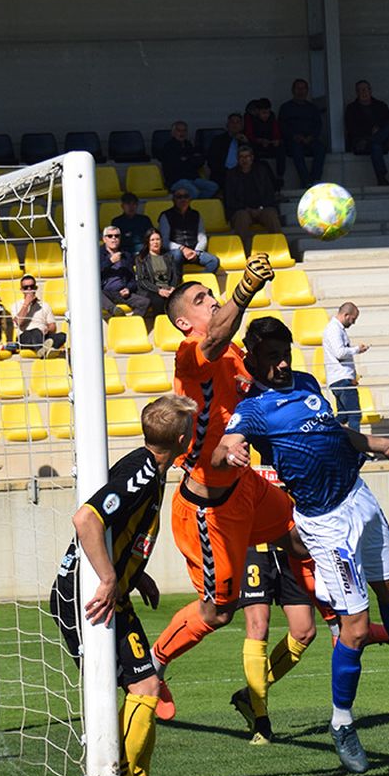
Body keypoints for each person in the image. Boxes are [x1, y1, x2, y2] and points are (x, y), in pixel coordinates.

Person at [218, 318, 389, 772]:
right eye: (271, 357)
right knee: (355, 630)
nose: (282, 364)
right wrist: (232, 451)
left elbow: (333, 432)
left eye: (285, 353)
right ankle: (342, 723)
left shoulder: (305, 383)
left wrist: (380, 444)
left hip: (359, 498)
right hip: (325, 524)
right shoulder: (254, 408)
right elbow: (229, 440)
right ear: (252, 360)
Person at [146, 254, 292, 721]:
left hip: (245, 484)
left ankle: (334, 620)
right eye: (201, 298)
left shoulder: (231, 353)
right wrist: (244, 288)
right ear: (184, 320)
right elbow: (216, 335)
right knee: (217, 612)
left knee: (298, 529)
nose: (211, 301)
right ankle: (153, 662)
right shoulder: (191, 354)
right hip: (210, 510)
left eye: (212, 294)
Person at [48, 396, 198, 776]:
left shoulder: (149, 467)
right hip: (86, 597)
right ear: (183, 438)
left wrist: (133, 571)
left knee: (144, 689)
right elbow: (86, 520)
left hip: (104, 593)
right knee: (143, 690)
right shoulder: (143, 472)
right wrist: (110, 577)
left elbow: (117, 528)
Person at [227, 540, 321, 745]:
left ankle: (249, 695)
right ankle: (262, 723)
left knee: (304, 632)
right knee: (258, 627)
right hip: (253, 548)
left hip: (292, 546)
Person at [323, 301, 370, 432]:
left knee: (343, 417)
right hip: (341, 379)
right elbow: (339, 352)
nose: (353, 323)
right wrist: (356, 350)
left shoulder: (335, 329)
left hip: (339, 378)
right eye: (353, 319)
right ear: (346, 314)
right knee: (354, 415)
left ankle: (327, 433)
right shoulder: (334, 329)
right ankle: (355, 448)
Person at [344, 79, 389, 186]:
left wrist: (378, 128)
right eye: (360, 90)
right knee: (375, 146)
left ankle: (370, 141)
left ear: (370, 90)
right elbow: (351, 127)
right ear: (356, 93)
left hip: (377, 140)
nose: (363, 92)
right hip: (360, 141)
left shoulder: (380, 105)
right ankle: (381, 178)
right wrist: (369, 132)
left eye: (365, 89)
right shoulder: (351, 108)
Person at [224, 146, 282, 237]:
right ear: (238, 159)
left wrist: (261, 208)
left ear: (252, 158)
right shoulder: (231, 175)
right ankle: (244, 250)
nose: (245, 160)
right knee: (242, 218)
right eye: (241, 157)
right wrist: (247, 209)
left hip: (262, 209)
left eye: (247, 156)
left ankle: (278, 247)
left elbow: (269, 193)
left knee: (271, 215)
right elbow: (230, 199)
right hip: (242, 210)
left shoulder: (262, 171)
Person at [158, 189, 220, 274]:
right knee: (177, 255)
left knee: (214, 261)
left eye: (186, 196)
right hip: (175, 252)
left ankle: (199, 284)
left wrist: (196, 252)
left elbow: (202, 237)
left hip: (194, 251)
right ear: (174, 200)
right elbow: (164, 241)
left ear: (190, 199)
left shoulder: (196, 214)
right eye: (179, 197)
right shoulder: (165, 216)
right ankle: (177, 283)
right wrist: (182, 249)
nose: (183, 199)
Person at [279, 78, 326, 186]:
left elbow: (318, 125)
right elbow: (282, 125)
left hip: (310, 140)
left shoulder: (312, 108)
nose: (301, 91)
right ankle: (306, 181)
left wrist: (311, 137)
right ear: (293, 90)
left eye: (303, 88)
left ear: (307, 90)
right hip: (293, 141)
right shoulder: (286, 107)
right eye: (298, 88)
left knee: (321, 149)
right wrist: (294, 136)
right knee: (296, 150)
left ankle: (315, 179)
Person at [158, 120, 218, 199]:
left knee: (213, 187)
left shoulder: (189, 145)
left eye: (184, 130)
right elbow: (176, 166)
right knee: (194, 191)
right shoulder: (168, 147)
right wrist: (191, 159)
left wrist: (187, 159)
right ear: (172, 133)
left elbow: (200, 161)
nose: (182, 133)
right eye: (179, 130)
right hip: (177, 181)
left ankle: (198, 203)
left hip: (193, 179)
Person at [100, 227, 149, 319]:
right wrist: (110, 261)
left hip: (120, 292)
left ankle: (131, 323)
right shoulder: (97, 254)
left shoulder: (126, 255)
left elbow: (132, 278)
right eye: (110, 236)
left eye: (116, 236)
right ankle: (114, 310)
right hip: (104, 292)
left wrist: (128, 288)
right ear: (104, 239)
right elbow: (92, 275)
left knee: (144, 302)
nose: (114, 238)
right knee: (94, 292)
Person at [134, 230, 183, 321]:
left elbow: (176, 275)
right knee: (159, 300)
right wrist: (158, 290)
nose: (155, 242)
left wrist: (173, 287)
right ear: (147, 242)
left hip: (168, 288)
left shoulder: (168, 256)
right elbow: (142, 280)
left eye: (158, 239)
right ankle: (161, 326)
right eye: (152, 240)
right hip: (151, 290)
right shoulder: (141, 259)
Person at [13, 275, 66, 357]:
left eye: (32, 286)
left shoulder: (45, 305)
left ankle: (44, 349)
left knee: (62, 335)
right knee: (36, 331)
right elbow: (19, 322)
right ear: (22, 290)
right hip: (25, 336)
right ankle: (43, 351)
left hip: (43, 335)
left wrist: (47, 329)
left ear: (36, 288)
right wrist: (26, 304)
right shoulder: (16, 305)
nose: (29, 289)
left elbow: (53, 326)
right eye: (26, 287)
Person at [244, 98, 286, 180]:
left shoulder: (272, 117)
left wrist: (276, 140)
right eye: (263, 113)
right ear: (257, 111)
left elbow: (276, 132)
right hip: (255, 145)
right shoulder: (249, 118)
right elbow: (249, 135)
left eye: (268, 113)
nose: (266, 115)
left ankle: (280, 175)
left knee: (281, 148)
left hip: (269, 144)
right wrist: (259, 140)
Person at [205, 113, 248, 186]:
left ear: (242, 126)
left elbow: (253, 159)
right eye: (232, 122)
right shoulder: (218, 140)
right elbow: (212, 161)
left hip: (242, 174)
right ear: (227, 125)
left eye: (237, 122)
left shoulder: (246, 141)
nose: (235, 125)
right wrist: (227, 172)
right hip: (223, 174)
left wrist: (247, 143)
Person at [110, 193, 155, 258]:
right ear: (122, 206)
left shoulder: (144, 220)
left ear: (137, 205)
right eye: (128, 204)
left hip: (143, 252)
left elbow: (151, 237)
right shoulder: (117, 222)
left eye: (134, 204)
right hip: (124, 253)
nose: (131, 207)